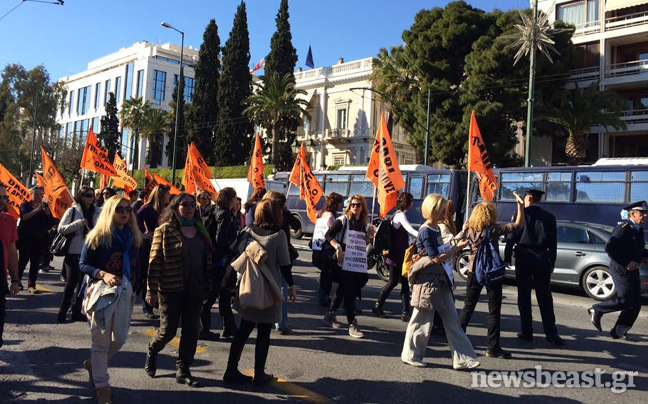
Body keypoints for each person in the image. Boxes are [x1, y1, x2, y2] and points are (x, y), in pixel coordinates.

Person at [223, 198, 296, 385]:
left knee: (243, 330)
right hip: (269, 290)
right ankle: (259, 373)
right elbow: (285, 264)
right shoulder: (279, 236)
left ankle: (231, 369)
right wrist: (292, 286)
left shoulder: (247, 232)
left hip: (248, 287)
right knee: (264, 333)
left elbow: (234, 252)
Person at [401, 194, 478, 370]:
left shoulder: (435, 227)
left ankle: (462, 358)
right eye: (442, 207)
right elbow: (435, 258)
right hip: (428, 279)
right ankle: (410, 354)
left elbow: (441, 251)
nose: (445, 210)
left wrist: (454, 248)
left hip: (440, 278)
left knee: (452, 320)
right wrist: (456, 249)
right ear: (434, 209)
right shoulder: (426, 230)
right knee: (421, 318)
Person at [145, 193, 214, 387]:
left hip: (195, 288)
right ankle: (152, 349)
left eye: (192, 204)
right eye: (185, 204)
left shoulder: (201, 230)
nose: (190, 207)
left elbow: (207, 260)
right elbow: (154, 262)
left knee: (192, 330)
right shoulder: (165, 231)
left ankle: (183, 369)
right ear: (176, 207)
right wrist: (151, 290)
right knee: (168, 331)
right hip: (170, 288)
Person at [80, 195, 142, 404]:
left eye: (128, 209)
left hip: (125, 292)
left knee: (120, 339)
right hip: (101, 294)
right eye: (120, 209)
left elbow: (136, 265)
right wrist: (102, 274)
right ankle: (102, 388)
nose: (125, 213)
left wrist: (139, 287)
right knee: (100, 342)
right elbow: (83, 263)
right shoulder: (97, 235)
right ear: (110, 211)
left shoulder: (133, 236)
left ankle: (93, 365)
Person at [455, 194, 524, 359]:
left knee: (468, 307)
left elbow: (456, 242)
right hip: (492, 271)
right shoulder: (494, 229)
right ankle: (493, 347)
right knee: (494, 311)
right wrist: (520, 207)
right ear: (490, 214)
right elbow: (517, 226)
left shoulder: (469, 228)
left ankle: (456, 340)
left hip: (473, 270)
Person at [505, 189, 563, 345]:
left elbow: (512, 237)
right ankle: (551, 333)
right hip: (542, 257)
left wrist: (507, 257)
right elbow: (553, 241)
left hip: (523, 257)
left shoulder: (521, 214)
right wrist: (553, 261)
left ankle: (526, 331)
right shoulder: (549, 217)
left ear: (528, 199)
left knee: (523, 295)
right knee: (544, 296)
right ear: (539, 200)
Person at [588, 201, 648, 341]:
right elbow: (610, 248)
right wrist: (626, 262)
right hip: (621, 269)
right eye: (642, 213)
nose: (645, 215)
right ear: (632, 214)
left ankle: (619, 331)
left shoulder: (638, 230)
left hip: (633, 270)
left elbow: (639, 250)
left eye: (646, 213)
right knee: (624, 300)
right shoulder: (624, 228)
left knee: (635, 303)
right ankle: (597, 309)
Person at [323, 195, 374, 338]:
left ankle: (330, 313)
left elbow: (362, 241)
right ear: (349, 206)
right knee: (350, 291)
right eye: (353, 205)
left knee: (350, 286)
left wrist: (370, 236)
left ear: (362, 207)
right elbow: (328, 235)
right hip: (343, 261)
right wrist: (338, 247)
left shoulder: (364, 222)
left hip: (357, 261)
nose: (355, 207)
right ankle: (352, 323)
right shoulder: (343, 220)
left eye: (358, 205)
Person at [56, 186, 101, 323]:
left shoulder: (98, 212)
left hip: (90, 252)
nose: (90, 198)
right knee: (71, 282)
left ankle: (76, 311)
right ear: (80, 196)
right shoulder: (73, 211)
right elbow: (61, 229)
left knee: (83, 284)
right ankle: (62, 312)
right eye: (87, 195)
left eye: (92, 195)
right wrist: (78, 223)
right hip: (73, 252)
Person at [373, 192, 417, 322]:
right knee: (393, 282)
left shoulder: (398, 214)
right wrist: (423, 235)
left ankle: (406, 312)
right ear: (406, 202)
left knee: (404, 283)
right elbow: (410, 230)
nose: (413, 204)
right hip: (396, 254)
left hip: (401, 254)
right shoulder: (400, 215)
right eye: (411, 201)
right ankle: (378, 306)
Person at [202, 187, 238, 340]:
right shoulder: (224, 214)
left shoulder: (214, 210)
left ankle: (230, 328)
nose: (237, 201)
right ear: (230, 199)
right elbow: (221, 239)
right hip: (220, 261)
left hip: (214, 258)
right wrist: (232, 247)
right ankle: (202, 329)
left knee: (224, 293)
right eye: (235, 198)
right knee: (213, 295)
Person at [263, 191, 301, 334]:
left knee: (265, 286)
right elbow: (296, 225)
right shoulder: (282, 217)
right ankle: (280, 323)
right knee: (282, 288)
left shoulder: (259, 214)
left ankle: (263, 317)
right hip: (280, 253)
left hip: (264, 256)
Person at [136, 185, 170, 319]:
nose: (169, 195)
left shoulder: (166, 209)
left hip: (163, 244)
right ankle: (147, 307)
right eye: (167, 193)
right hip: (149, 245)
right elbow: (133, 220)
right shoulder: (147, 208)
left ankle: (156, 303)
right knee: (148, 274)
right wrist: (141, 235)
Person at [311, 193, 343, 307]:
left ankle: (323, 295)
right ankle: (324, 297)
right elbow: (331, 233)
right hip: (327, 249)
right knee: (328, 275)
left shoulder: (322, 214)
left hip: (318, 248)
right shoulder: (330, 216)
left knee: (325, 274)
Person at [18, 186, 51, 294]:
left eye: (40, 194)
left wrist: (48, 215)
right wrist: (37, 210)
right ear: (31, 195)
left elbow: (48, 224)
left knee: (35, 262)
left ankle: (32, 285)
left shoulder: (44, 207)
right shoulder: (25, 205)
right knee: (23, 260)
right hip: (25, 238)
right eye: (36, 194)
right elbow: (24, 217)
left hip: (38, 239)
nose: (38, 196)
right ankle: (17, 280)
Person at [0, 183, 20, 348]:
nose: (2, 200)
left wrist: (15, 279)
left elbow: (12, 252)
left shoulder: (9, 221)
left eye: (4, 197)